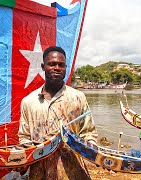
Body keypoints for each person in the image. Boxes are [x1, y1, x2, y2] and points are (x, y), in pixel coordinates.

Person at [18, 46, 98, 179]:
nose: (57, 68)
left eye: (61, 65)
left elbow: (89, 133)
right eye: (52, 64)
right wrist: (22, 160)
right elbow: (24, 137)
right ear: (43, 67)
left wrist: (94, 152)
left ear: (66, 67)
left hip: (72, 170)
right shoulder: (28, 101)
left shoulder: (78, 97)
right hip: (39, 171)